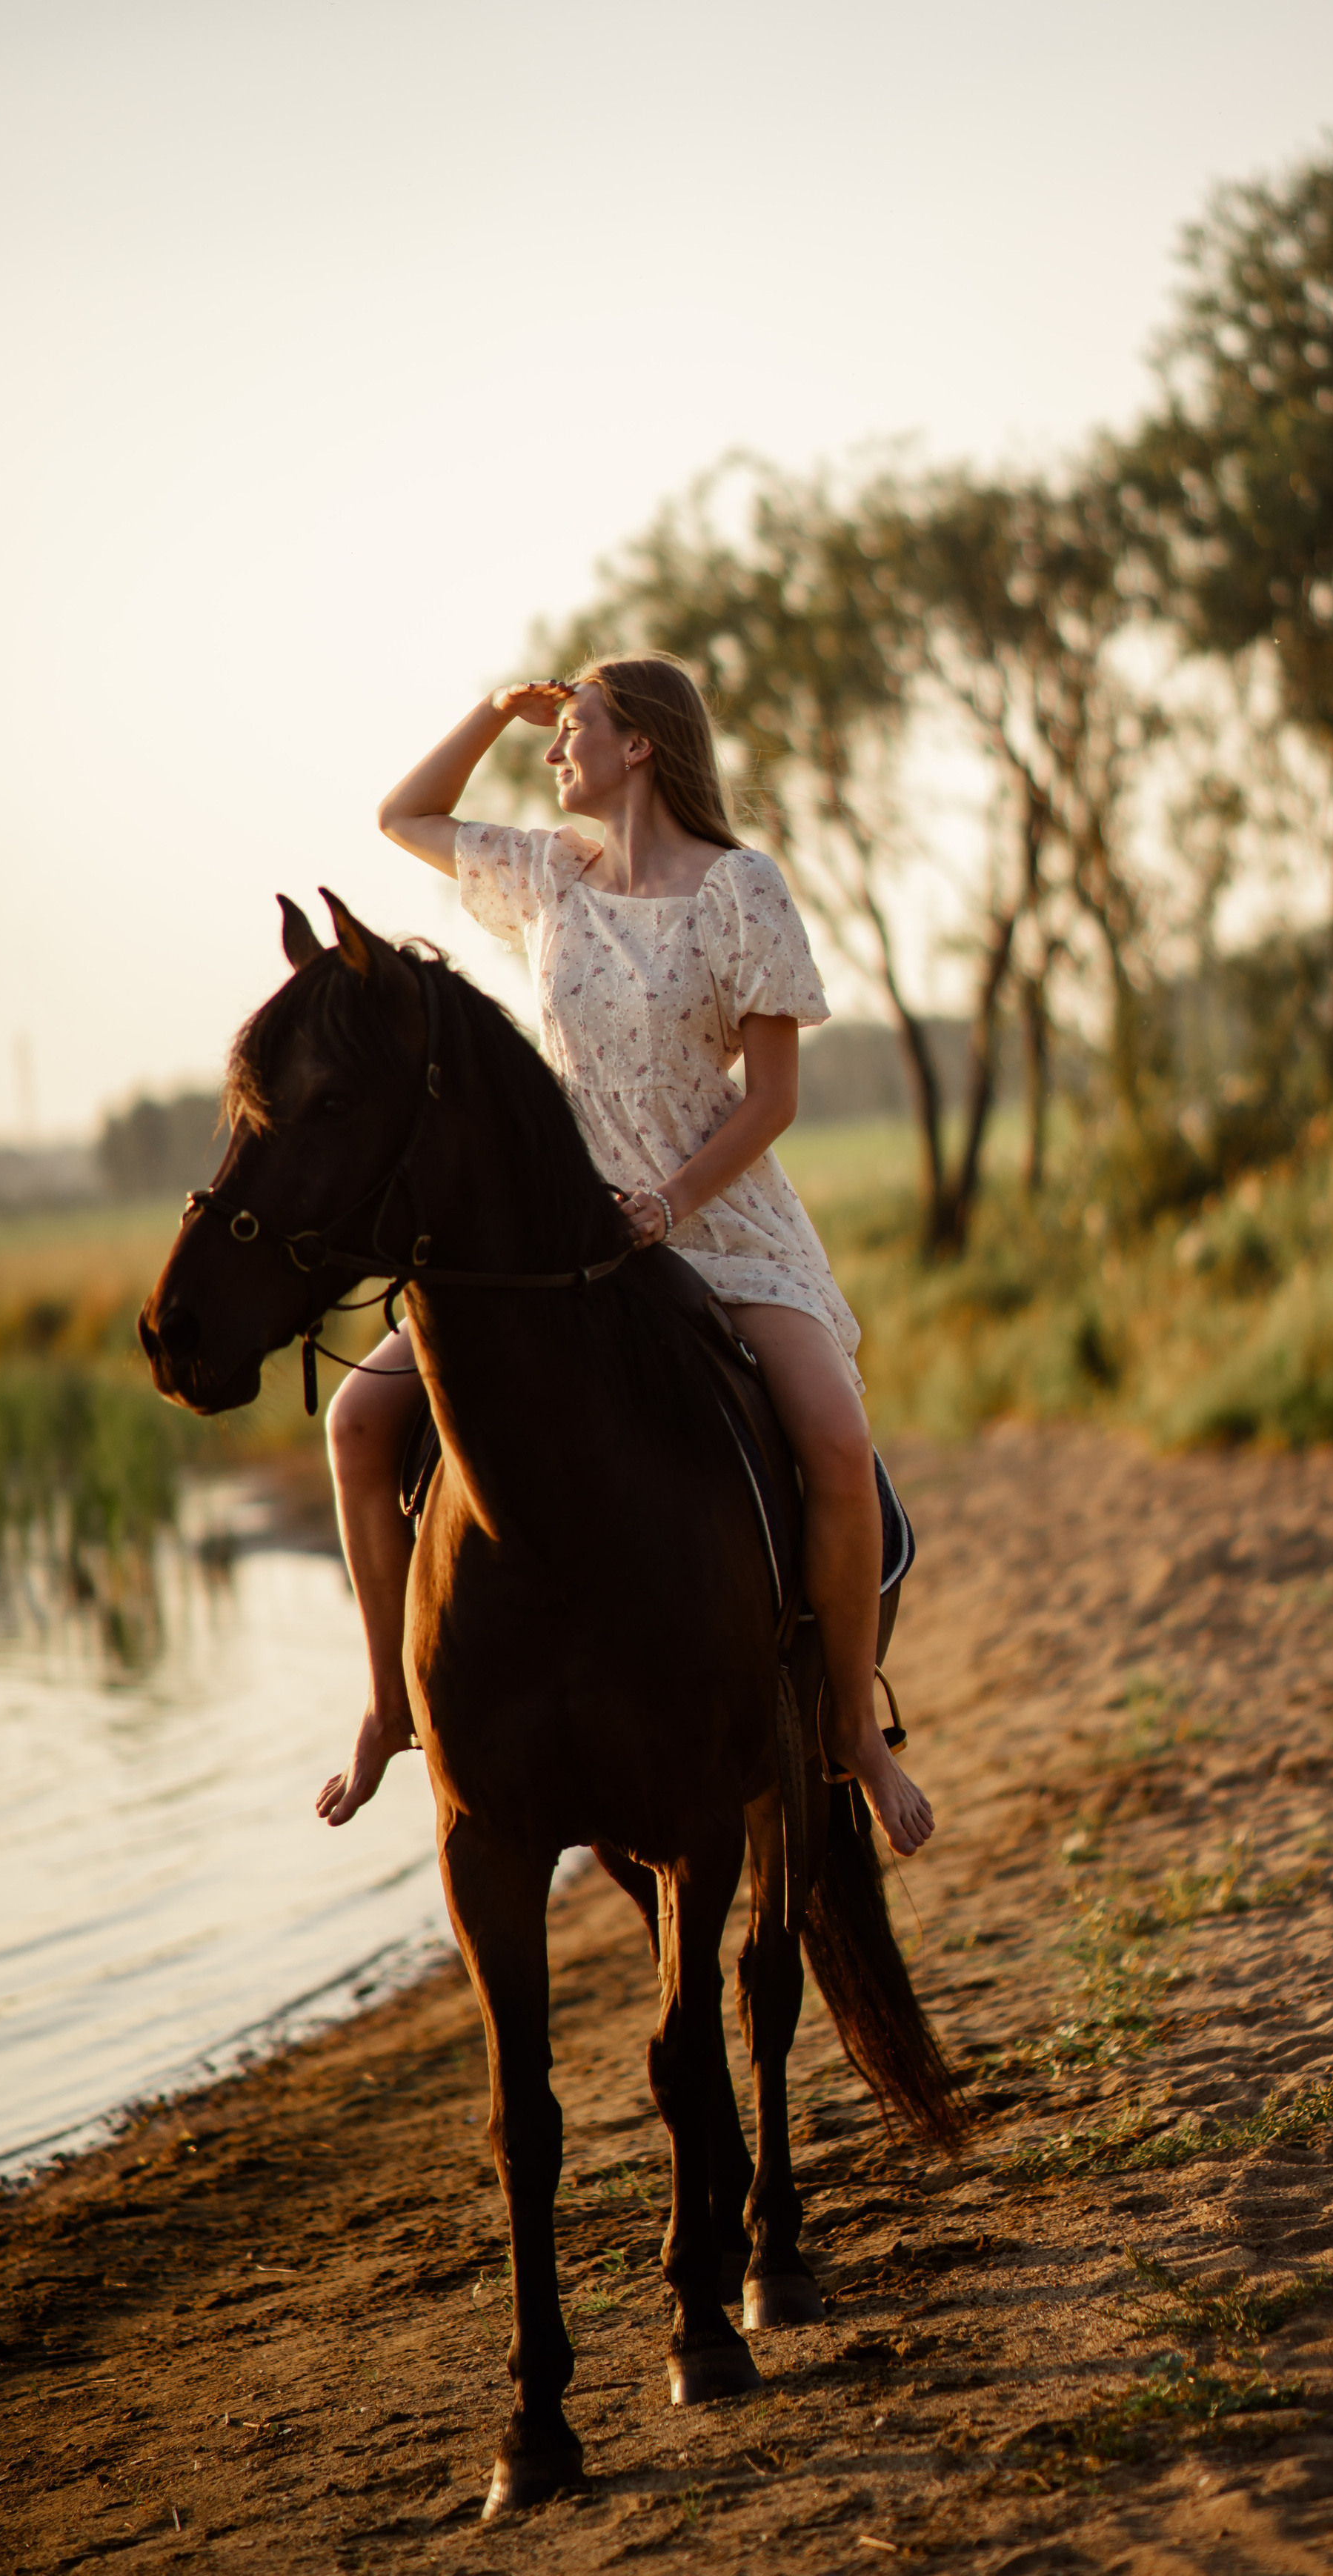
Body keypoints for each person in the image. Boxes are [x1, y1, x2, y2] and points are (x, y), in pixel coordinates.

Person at [315, 655, 935, 1860]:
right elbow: (403, 818)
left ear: (640, 743)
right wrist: (499, 706)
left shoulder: (741, 890)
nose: (556, 752)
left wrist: (670, 1200)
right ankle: (394, 1704)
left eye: (575, 727)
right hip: (562, 1232)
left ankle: (854, 1727)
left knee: (839, 1445)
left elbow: (774, 1096)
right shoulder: (551, 875)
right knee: (354, 1421)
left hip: (720, 1222)